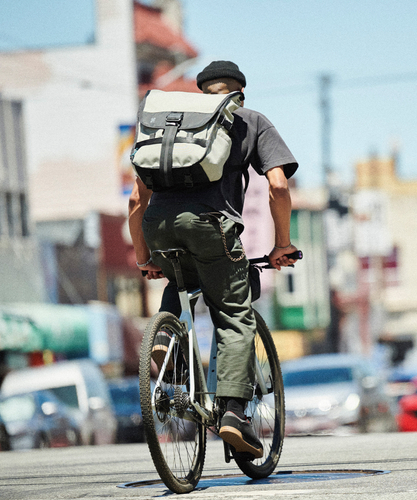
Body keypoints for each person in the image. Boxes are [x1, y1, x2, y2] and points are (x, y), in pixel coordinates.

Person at [128, 60, 299, 459]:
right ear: (240, 92)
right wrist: (282, 244)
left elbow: (137, 198)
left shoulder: (172, 123)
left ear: (201, 93)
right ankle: (234, 415)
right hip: (211, 227)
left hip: (158, 226)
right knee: (234, 314)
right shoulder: (250, 120)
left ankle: (167, 338)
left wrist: (143, 259)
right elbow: (278, 185)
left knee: (179, 278)